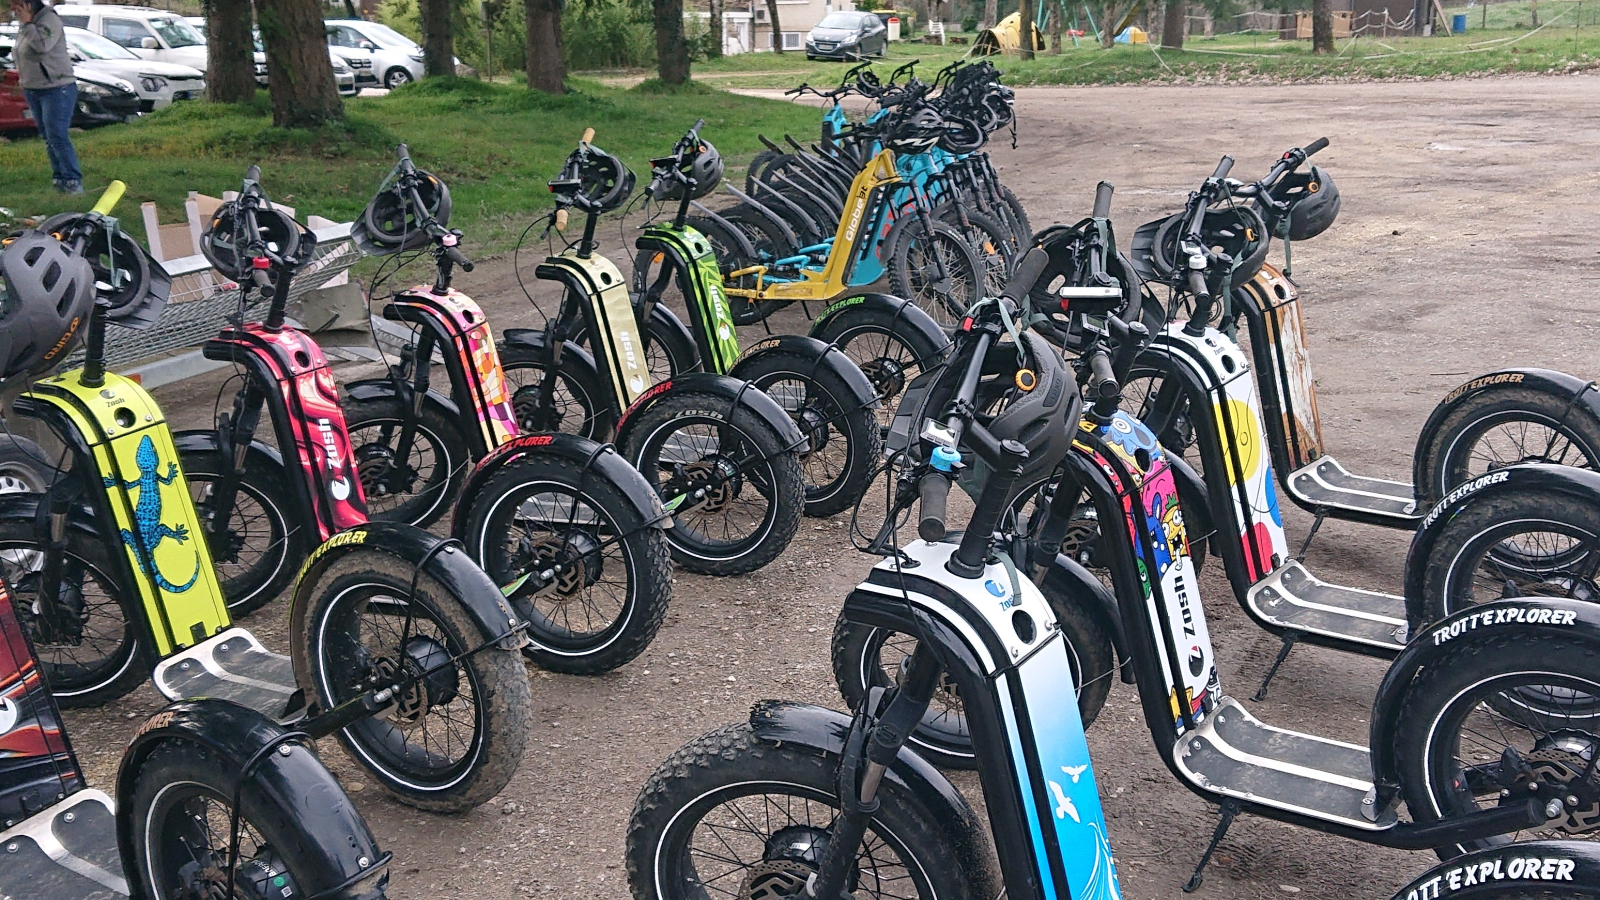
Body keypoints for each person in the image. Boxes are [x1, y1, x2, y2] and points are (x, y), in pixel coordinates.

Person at [10, 0, 82, 194]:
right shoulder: (26, 25)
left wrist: (27, 24)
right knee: (48, 137)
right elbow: (21, 52)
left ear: (28, 5)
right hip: (34, 88)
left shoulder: (49, 20)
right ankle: (59, 178)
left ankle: (73, 179)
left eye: (15, 4)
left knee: (57, 135)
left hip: (56, 87)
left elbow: (43, 46)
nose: (12, 9)